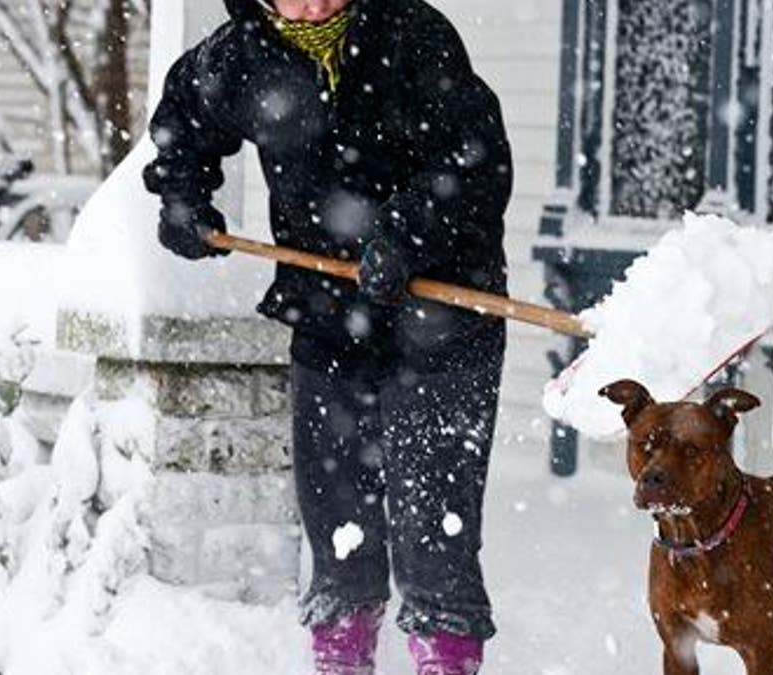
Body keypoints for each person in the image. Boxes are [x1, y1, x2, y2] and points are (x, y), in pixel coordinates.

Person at [142, 0, 513, 673]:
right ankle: (341, 659)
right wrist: (183, 198)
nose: (312, 3)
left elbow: (477, 159)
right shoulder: (242, 54)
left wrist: (405, 233)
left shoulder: (413, 35)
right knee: (340, 529)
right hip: (327, 317)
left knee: (435, 529)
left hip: (442, 319)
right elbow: (184, 118)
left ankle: (445, 658)